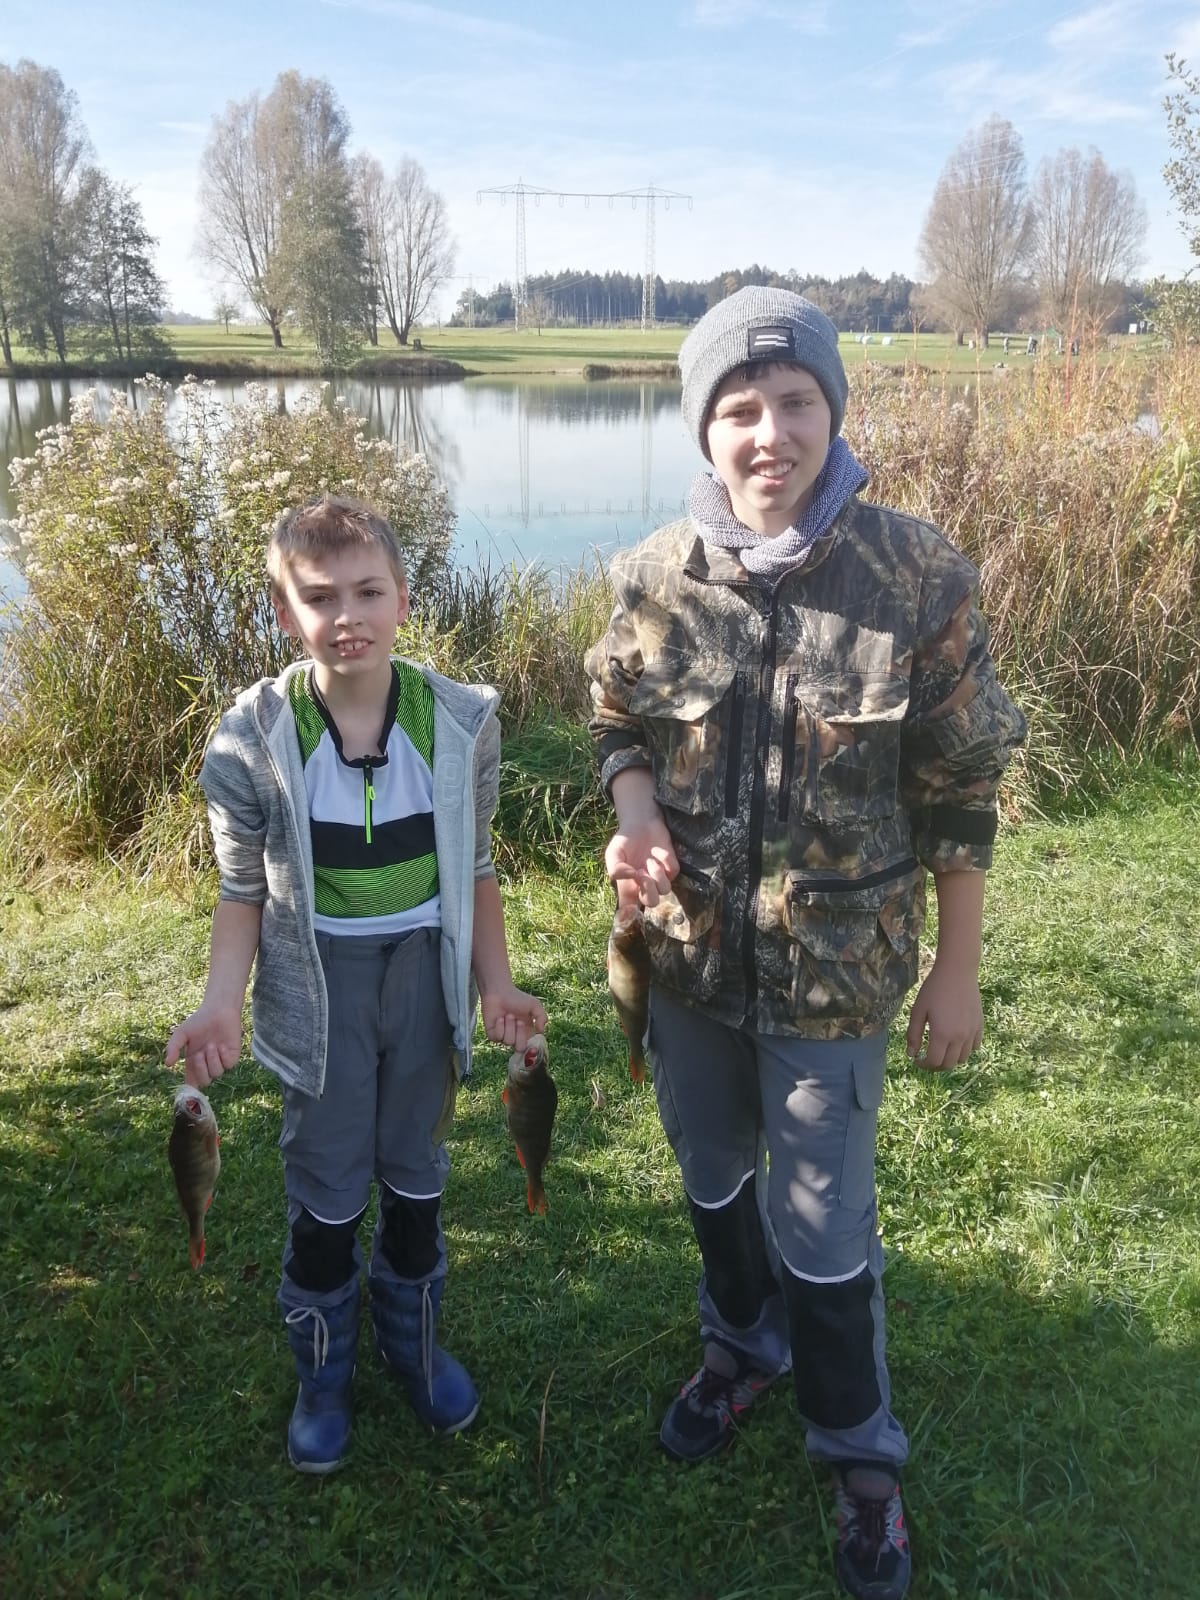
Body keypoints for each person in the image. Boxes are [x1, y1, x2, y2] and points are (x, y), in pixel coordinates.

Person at [585, 288, 1025, 1600]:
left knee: (826, 1227)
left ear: (833, 410)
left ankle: (858, 1455)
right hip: (685, 966)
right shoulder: (653, 575)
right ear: (704, 430)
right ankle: (740, 1348)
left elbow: (962, 784)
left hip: (836, 981)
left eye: (794, 402)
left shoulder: (917, 574)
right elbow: (613, 715)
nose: (768, 433)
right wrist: (632, 808)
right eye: (739, 409)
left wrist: (957, 969)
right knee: (715, 1177)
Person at [166, 495, 546, 1475]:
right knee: (329, 1194)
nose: (348, 615)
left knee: (416, 1178)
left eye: (369, 591)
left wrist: (495, 985)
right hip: (319, 989)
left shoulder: (457, 722)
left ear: (404, 599)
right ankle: (323, 1371)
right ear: (284, 612)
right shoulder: (254, 738)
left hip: (424, 977)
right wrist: (220, 1002)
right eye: (320, 596)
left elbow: (475, 867)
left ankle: (414, 1347)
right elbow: (242, 890)